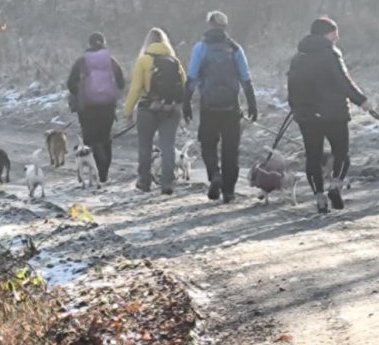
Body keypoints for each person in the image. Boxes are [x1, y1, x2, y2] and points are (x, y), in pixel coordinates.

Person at [287, 16, 373, 215]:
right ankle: (335, 185)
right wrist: (362, 101)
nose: (337, 36)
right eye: (335, 32)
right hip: (334, 114)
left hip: (307, 116)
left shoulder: (298, 57)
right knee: (342, 153)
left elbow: (291, 86)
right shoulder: (331, 54)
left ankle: (319, 197)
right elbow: (343, 81)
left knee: (313, 157)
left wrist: (296, 108)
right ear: (326, 33)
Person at [185, 11, 257, 203]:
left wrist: (186, 103)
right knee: (230, 149)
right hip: (231, 106)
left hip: (209, 106)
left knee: (208, 143)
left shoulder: (201, 48)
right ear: (225, 26)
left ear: (209, 25)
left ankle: (214, 174)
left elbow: (191, 77)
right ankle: (229, 191)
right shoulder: (235, 48)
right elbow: (246, 78)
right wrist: (252, 103)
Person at [123, 27, 187, 195]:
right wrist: (181, 107)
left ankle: (144, 182)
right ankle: (167, 182)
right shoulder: (174, 61)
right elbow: (184, 85)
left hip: (148, 108)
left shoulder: (143, 60)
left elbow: (135, 88)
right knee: (168, 146)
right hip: (171, 109)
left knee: (145, 145)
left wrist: (127, 111)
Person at [66, 32, 125, 183]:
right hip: (107, 106)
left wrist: (80, 92)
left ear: (89, 44)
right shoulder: (111, 60)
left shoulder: (81, 61)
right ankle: (104, 174)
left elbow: (70, 83)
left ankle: (94, 173)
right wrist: (112, 92)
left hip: (87, 108)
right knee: (105, 138)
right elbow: (121, 82)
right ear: (104, 43)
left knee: (90, 139)